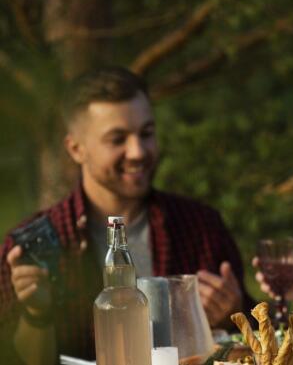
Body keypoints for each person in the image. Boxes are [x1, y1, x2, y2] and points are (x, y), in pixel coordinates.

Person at [0, 67, 255, 364]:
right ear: (76, 148)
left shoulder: (201, 226)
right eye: (117, 139)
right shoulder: (31, 247)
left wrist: (232, 312)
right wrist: (37, 315)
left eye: (146, 133)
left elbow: (259, 342)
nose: (137, 152)